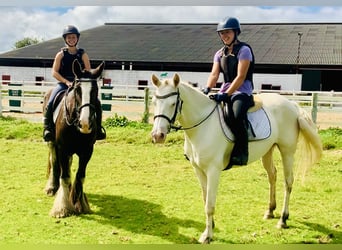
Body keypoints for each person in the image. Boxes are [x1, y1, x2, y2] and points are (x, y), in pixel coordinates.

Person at [202, 16, 255, 166]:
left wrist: (226, 94)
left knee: (236, 116)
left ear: (236, 32)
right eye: (222, 33)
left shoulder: (244, 50)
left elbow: (240, 77)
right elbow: (214, 74)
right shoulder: (219, 54)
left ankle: (242, 152)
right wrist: (207, 88)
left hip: (242, 91)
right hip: (225, 91)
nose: (225, 36)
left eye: (228, 32)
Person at [43, 25, 106, 141]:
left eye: (73, 37)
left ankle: (98, 129)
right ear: (65, 39)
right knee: (51, 101)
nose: (71, 39)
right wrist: (66, 81)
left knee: (96, 102)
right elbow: (54, 72)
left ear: (77, 39)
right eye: (69, 38)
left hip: (80, 84)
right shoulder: (60, 55)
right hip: (63, 83)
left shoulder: (83, 54)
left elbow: (88, 71)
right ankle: (47, 128)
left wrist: (82, 81)